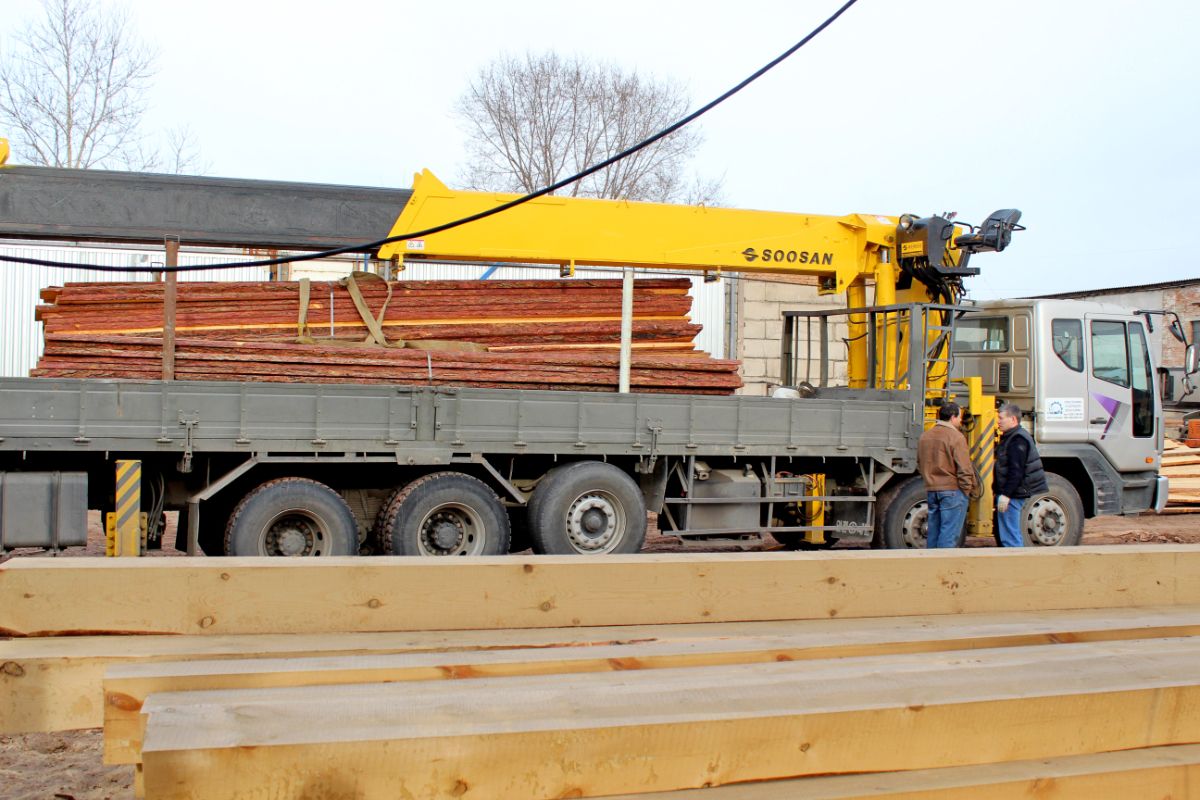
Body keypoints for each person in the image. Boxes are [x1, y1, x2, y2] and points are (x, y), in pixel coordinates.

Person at [917, 402, 977, 548]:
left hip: (932, 490)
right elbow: (964, 467)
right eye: (959, 417)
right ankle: (943, 567)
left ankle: (931, 564)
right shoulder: (956, 437)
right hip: (953, 490)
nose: (960, 420)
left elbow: (920, 462)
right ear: (952, 417)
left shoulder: (925, 436)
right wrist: (967, 489)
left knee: (933, 532)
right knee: (949, 534)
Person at [993, 402, 1049, 547]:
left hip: (1013, 494)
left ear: (1013, 420)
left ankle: (1014, 562)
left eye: (1001, 418)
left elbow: (1016, 471)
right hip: (1011, 492)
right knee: (1007, 532)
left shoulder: (1018, 440)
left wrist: (1006, 495)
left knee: (1010, 535)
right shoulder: (1011, 437)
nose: (998, 421)